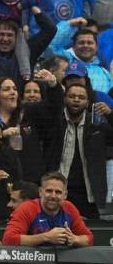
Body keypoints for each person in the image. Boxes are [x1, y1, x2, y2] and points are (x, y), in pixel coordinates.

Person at [28, 80, 112, 219]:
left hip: (88, 192)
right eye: (72, 96)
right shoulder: (54, 121)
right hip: (57, 190)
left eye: (81, 97)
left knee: (89, 235)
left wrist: (110, 115)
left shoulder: (97, 124)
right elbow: (46, 108)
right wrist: (53, 87)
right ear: (65, 98)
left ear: (88, 102)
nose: (76, 100)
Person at [3, 172, 93, 246]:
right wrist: (46, 237)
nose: (53, 196)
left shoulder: (69, 208)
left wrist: (74, 239)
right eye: (49, 191)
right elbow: (8, 239)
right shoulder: (27, 208)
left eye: (58, 192)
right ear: (40, 192)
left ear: (65, 195)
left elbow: (89, 239)